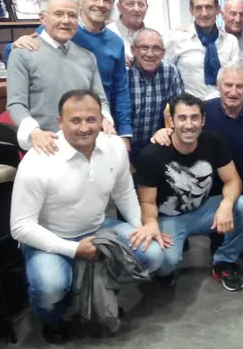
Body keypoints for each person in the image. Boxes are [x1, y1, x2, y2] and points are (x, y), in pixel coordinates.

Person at [10, 90, 163, 345]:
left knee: (153, 254)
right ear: (60, 122)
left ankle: (102, 291)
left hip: (98, 227)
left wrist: (141, 227)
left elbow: (124, 193)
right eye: (75, 120)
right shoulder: (37, 161)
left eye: (91, 120)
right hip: (49, 237)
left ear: (102, 119)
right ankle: (53, 318)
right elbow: (20, 227)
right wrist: (73, 249)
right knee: (50, 288)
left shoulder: (114, 147)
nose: (84, 128)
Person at [151, 64, 243, 285]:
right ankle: (215, 251)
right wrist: (164, 131)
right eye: (228, 85)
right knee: (214, 232)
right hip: (207, 185)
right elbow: (181, 128)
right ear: (218, 87)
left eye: (240, 86)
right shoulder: (204, 112)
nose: (233, 91)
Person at [134, 93, 243, 291]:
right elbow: (147, 202)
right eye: (182, 118)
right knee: (164, 264)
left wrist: (225, 205)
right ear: (171, 121)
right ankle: (167, 268)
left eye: (194, 117)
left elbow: (232, 180)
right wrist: (150, 224)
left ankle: (224, 261)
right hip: (170, 219)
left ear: (203, 120)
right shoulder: (153, 154)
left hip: (203, 212)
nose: (189, 125)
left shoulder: (213, 142)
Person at [7, 0, 133, 148]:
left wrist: (105, 118)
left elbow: (105, 97)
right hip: (45, 147)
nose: (66, 20)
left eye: (72, 15)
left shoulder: (88, 57)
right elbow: (16, 102)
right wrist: (34, 132)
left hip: (86, 144)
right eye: (58, 14)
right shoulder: (24, 51)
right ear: (42, 18)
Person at [164, 0, 240, 100]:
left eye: (209, 7)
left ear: (218, 10)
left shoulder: (231, 41)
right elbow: (166, 74)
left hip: (221, 106)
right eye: (198, 8)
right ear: (191, 10)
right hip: (187, 108)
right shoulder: (176, 38)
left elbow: (234, 78)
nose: (204, 13)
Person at [128, 28, 184, 159]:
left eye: (156, 48)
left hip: (157, 143)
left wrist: (168, 130)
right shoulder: (123, 72)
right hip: (124, 145)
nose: (150, 54)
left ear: (163, 53)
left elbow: (179, 109)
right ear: (133, 50)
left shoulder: (170, 72)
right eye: (143, 48)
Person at [107, 0, 148, 67]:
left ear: (147, 7)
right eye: (130, 4)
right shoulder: (107, 34)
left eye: (141, 4)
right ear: (119, 7)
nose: (136, 9)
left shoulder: (155, 34)